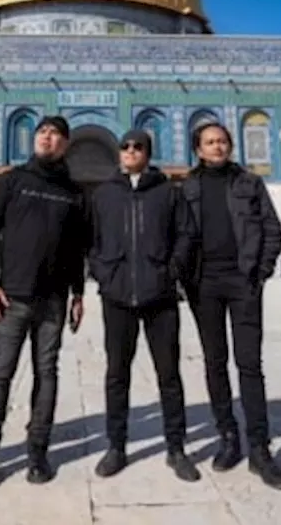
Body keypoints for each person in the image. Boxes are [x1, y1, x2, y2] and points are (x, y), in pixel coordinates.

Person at [0, 115, 89, 493]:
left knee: (47, 374)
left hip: (53, 301)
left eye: (54, 134)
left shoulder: (73, 191)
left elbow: (75, 248)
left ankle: (38, 450)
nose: (46, 138)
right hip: (12, 297)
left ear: (65, 143)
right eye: (42, 132)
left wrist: (78, 293)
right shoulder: (13, 180)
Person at [182, 122, 281, 490]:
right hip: (204, 286)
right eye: (210, 142)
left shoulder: (249, 183)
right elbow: (177, 236)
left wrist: (259, 273)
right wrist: (185, 279)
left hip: (243, 283)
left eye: (222, 141)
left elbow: (272, 229)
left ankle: (260, 448)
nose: (217, 147)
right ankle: (228, 437)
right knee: (215, 363)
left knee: (249, 365)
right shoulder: (187, 187)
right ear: (198, 149)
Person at [87, 129, 199, 482]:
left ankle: (176, 448)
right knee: (117, 374)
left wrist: (171, 272)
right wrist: (103, 273)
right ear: (118, 153)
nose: (131, 151)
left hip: (160, 296)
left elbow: (186, 235)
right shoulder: (104, 194)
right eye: (126, 146)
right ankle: (116, 446)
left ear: (149, 153)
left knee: (169, 375)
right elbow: (91, 239)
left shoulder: (168, 192)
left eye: (138, 147)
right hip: (117, 295)